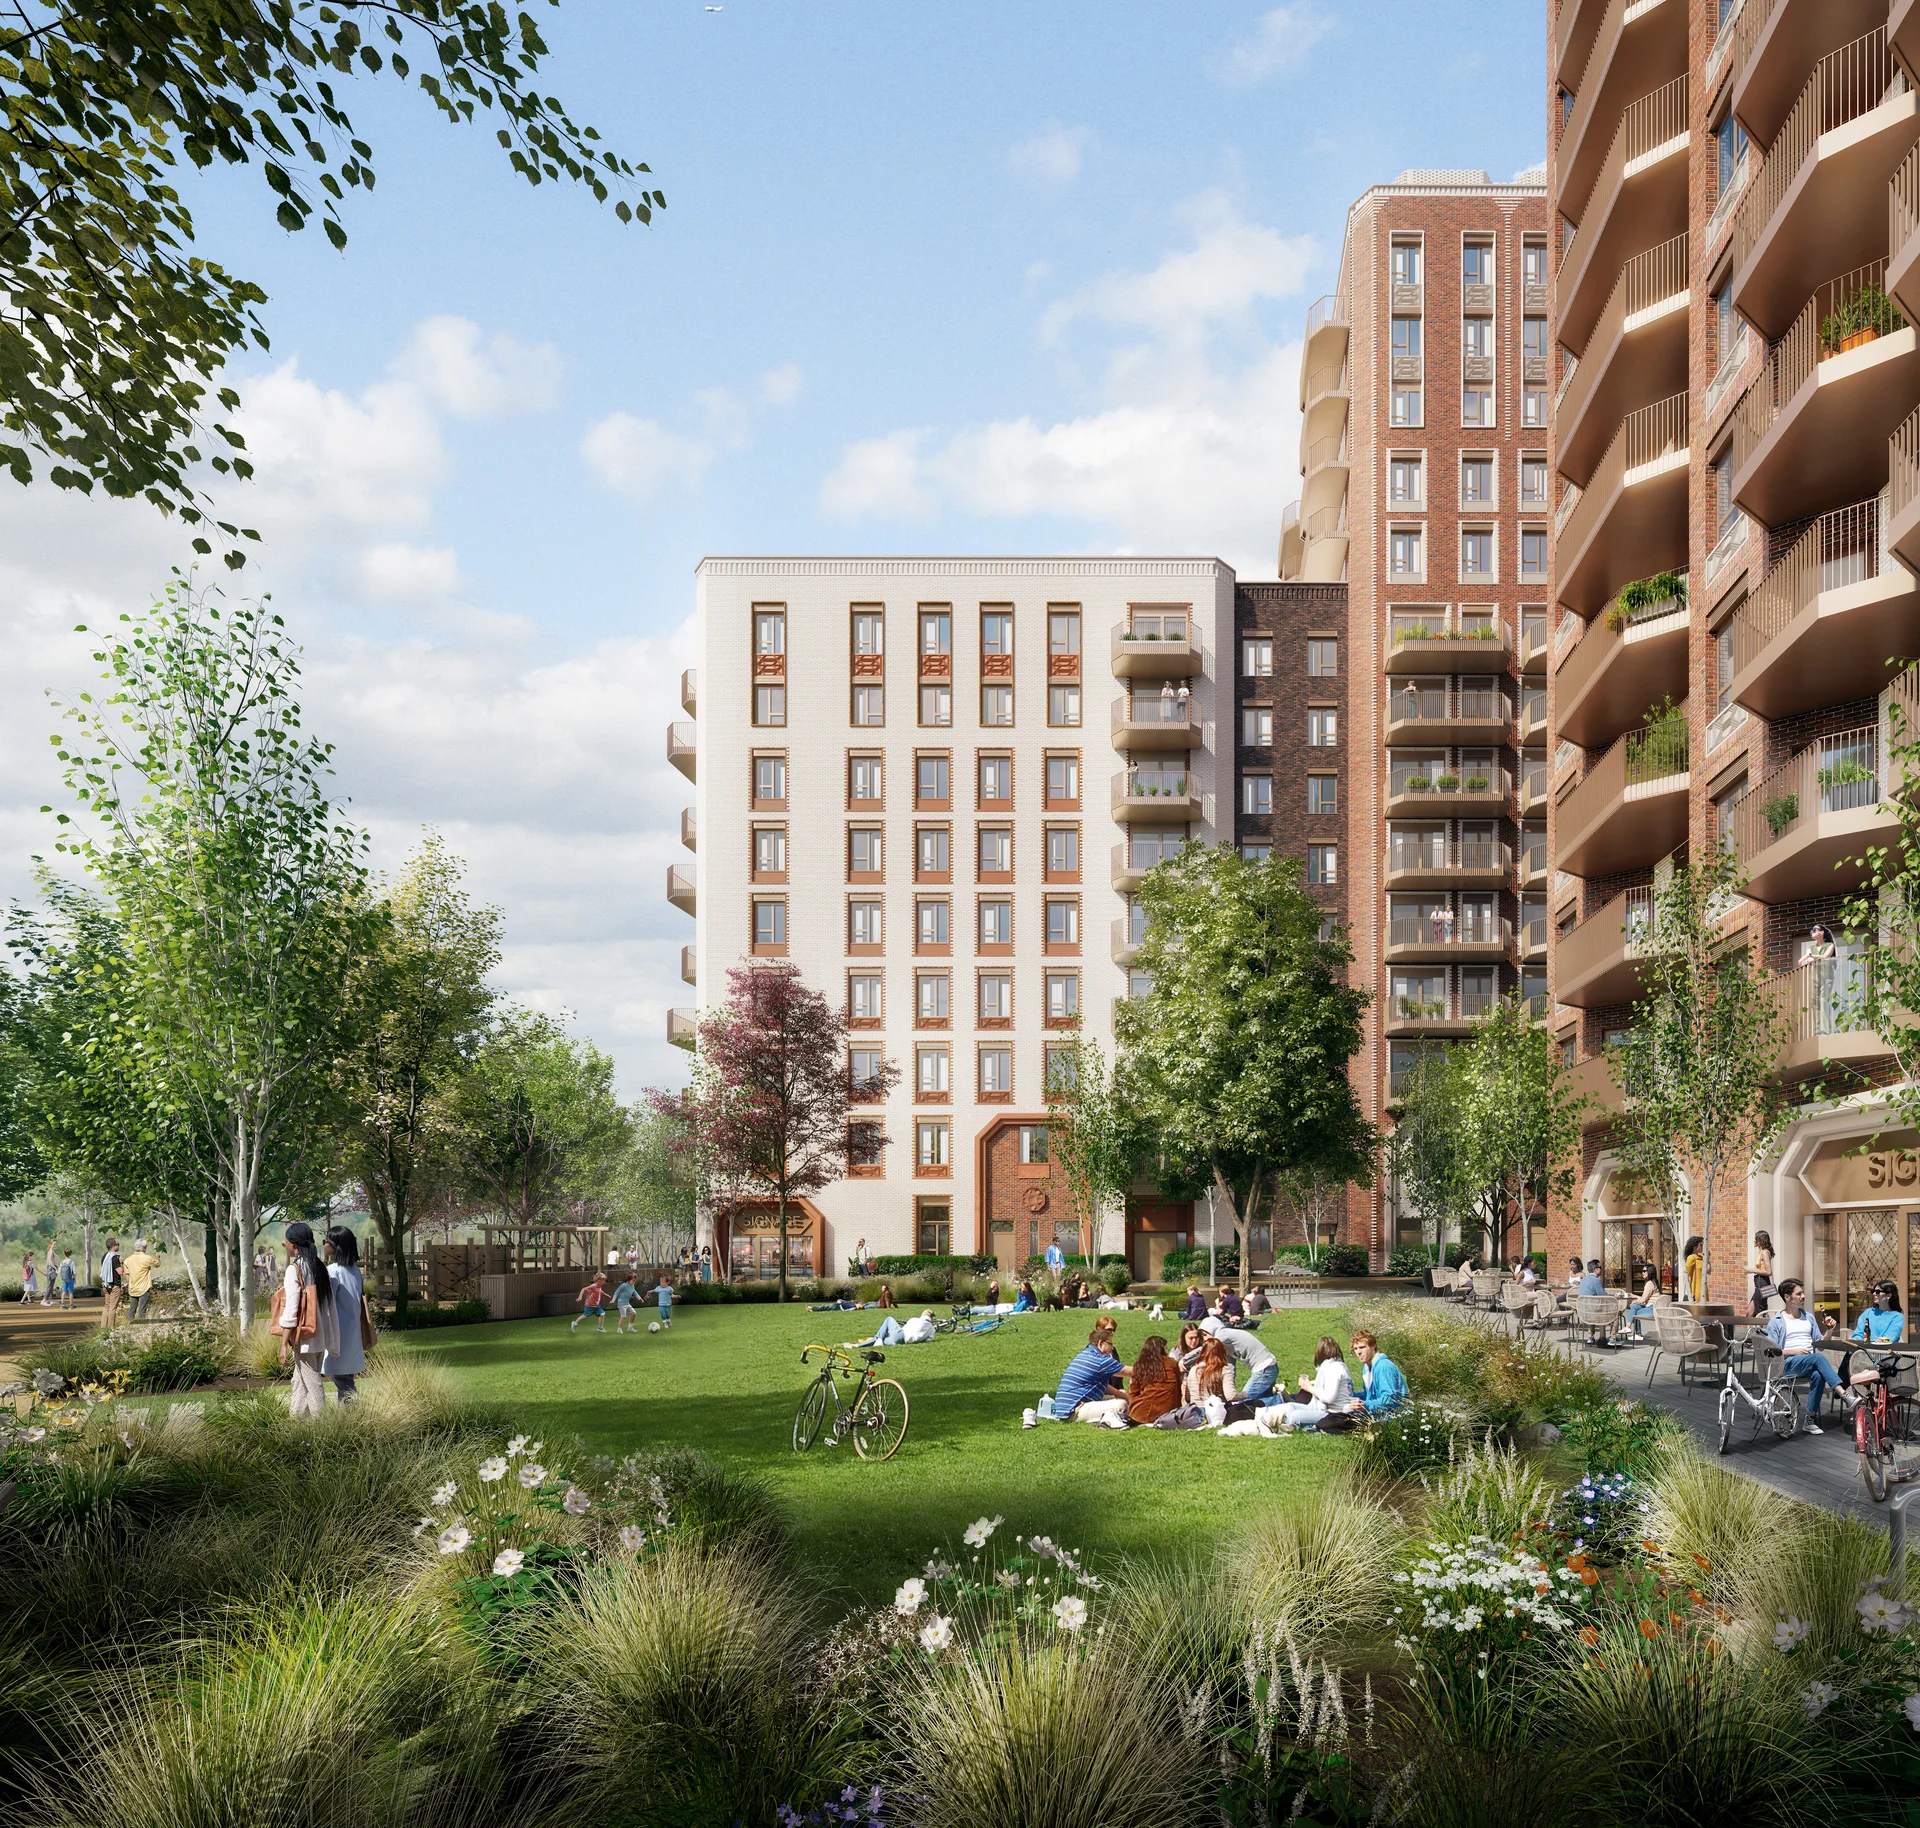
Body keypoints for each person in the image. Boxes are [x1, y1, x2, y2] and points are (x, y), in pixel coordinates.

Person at [275, 1219, 339, 1419]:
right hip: (320, 1333)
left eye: (285, 1241)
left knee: (312, 1383)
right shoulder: (319, 1267)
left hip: (305, 1337)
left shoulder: (295, 1270)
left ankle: (323, 1429)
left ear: (293, 1244)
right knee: (300, 1381)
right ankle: (296, 1424)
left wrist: (284, 1343)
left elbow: (292, 1309)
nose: (284, 1245)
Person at [1767, 1279, 1843, 1433]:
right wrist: (1793, 1351)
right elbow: (1771, 1351)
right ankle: (1843, 1392)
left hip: (1808, 1363)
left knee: (1818, 1375)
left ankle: (1809, 1420)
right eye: (1799, 1294)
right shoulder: (1776, 1321)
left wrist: (1829, 1330)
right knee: (1818, 1359)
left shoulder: (1808, 1317)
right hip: (1787, 1364)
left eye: (1803, 1293)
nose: (1803, 1296)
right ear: (1787, 1297)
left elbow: (1820, 1346)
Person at [321, 1225, 368, 1403]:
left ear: (334, 1246)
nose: (324, 1244)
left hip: (338, 1332)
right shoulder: (355, 1270)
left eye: (326, 1241)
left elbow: (326, 1302)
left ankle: (350, 1417)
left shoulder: (333, 1271)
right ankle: (350, 1414)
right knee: (345, 1377)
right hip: (352, 1331)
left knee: (343, 1380)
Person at [1271, 1337, 1354, 1430]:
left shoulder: (1334, 1369)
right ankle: (1288, 1423)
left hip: (1334, 1413)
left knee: (1294, 1416)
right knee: (1291, 1406)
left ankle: (1295, 1425)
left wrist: (1308, 1387)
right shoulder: (1334, 1366)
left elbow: (1329, 1398)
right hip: (1327, 1409)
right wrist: (1311, 1383)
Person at [1052, 1326, 1128, 1425]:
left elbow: (1104, 1388)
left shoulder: (1085, 1354)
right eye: (1110, 1344)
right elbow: (1131, 1372)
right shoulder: (1100, 1360)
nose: (1112, 1348)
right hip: (1073, 1410)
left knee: (1120, 1398)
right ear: (1100, 1343)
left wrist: (1124, 1395)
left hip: (1068, 1407)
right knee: (1121, 1405)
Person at [1839, 1281, 1906, 1390]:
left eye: (1878, 1291)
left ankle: (1842, 1391)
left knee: (1851, 1358)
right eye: (1873, 1291)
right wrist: (1855, 1339)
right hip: (1864, 1355)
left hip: (1883, 1357)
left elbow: (1889, 1338)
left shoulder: (1897, 1316)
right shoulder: (1868, 1312)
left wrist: (1869, 1343)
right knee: (1850, 1354)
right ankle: (1845, 1392)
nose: (1874, 1293)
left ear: (1889, 1295)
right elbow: (1859, 1333)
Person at [1200, 1316, 1279, 1400]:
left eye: (1205, 1335)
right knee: (1261, 1399)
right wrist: (1229, 1385)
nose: (1205, 1339)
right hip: (1267, 1366)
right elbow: (1230, 1366)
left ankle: (1282, 1399)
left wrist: (1185, 1360)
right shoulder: (1226, 1343)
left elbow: (1206, 1350)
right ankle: (1282, 1401)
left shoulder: (1221, 1335)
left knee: (1245, 1402)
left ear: (1212, 1328)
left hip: (1264, 1368)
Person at [1347, 1331, 1409, 1416]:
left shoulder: (1384, 1367)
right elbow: (1368, 1395)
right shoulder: (1366, 1368)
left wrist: (1364, 1405)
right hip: (1379, 1415)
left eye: (1362, 1347)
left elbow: (1390, 1400)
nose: (1358, 1352)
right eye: (1355, 1348)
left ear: (1373, 1346)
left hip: (1396, 1418)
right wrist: (1349, 1396)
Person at [1125, 1334, 1182, 1424]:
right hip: (1167, 1413)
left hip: (1140, 1413)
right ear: (1162, 1348)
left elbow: (1133, 1392)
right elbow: (1178, 1390)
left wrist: (1132, 1409)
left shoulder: (1140, 1365)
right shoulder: (1172, 1364)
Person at [123, 1240, 161, 1322]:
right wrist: (157, 1257)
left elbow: (127, 1275)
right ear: (144, 1248)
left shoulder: (127, 1260)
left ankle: (130, 1326)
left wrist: (129, 1285)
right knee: (142, 1311)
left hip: (132, 1288)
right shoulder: (146, 1258)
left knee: (132, 1310)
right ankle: (140, 1328)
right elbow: (157, 1264)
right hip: (143, 1288)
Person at [1626, 1267, 1662, 1338]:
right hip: (1653, 1307)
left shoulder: (1649, 1283)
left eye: (1644, 1271)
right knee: (1634, 1307)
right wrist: (1634, 1296)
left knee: (1634, 1311)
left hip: (1652, 1309)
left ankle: (1629, 1327)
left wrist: (1636, 1301)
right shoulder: (1653, 1282)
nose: (1642, 1272)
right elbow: (1646, 1298)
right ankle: (1634, 1330)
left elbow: (1644, 1299)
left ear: (1650, 1272)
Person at [1751, 1230, 1776, 1315]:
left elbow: (1769, 1272)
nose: (1754, 1240)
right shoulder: (1761, 1252)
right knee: (1750, 1312)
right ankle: (1758, 1328)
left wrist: (1751, 1270)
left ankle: (1764, 1328)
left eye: (1756, 1239)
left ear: (1760, 1240)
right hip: (1758, 1284)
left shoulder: (1765, 1252)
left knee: (1760, 1312)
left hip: (1763, 1284)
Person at [100, 1237, 122, 1329]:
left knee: (107, 1306)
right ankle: (111, 1329)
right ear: (114, 1246)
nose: (118, 1246)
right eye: (117, 1244)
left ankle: (103, 1327)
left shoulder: (104, 1256)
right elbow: (120, 1272)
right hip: (114, 1285)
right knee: (113, 1308)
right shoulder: (115, 1257)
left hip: (105, 1284)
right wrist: (121, 1263)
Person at [1683, 1237, 1705, 1302]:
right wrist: (1690, 1292)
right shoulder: (1691, 1258)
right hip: (1696, 1291)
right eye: (1701, 1245)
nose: (1703, 1247)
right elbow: (1687, 1276)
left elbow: (1708, 1271)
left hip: (1703, 1289)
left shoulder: (1701, 1258)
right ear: (1695, 1247)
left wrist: (1708, 1259)